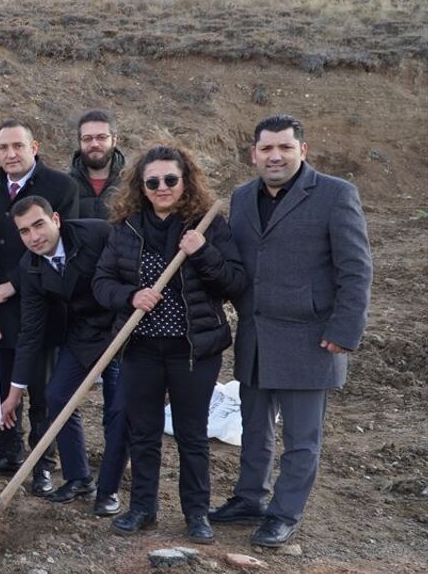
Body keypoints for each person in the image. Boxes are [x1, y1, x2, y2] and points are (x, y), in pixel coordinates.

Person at [210, 115, 372, 547]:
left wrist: (345, 330)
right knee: (254, 427)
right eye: (267, 148)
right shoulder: (242, 197)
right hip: (256, 334)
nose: (275, 156)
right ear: (254, 154)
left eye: (285, 147)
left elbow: (356, 269)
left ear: (303, 150)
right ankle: (250, 498)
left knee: (301, 439)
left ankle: (284, 514)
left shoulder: (335, 194)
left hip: (311, 337)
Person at [93, 145, 246, 543]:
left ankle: (196, 513)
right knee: (143, 432)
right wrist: (131, 297)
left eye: (170, 180)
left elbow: (234, 282)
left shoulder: (207, 226)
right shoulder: (126, 228)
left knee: (192, 434)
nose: (162, 187)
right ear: (141, 186)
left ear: (185, 181)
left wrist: (202, 252)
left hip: (193, 350)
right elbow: (102, 282)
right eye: (153, 182)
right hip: (141, 347)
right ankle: (143, 509)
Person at [0, 196, 126, 516]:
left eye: (39, 225)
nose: (34, 237)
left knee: (119, 409)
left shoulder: (96, 234)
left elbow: (130, 271)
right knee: (57, 396)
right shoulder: (31, 267)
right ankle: (78, 477)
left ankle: (109, 489)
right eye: (24, 231)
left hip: (125, 327)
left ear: (55, 219)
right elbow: (31, 332)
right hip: (83, 332)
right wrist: (14, 393)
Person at [0, 120, 79, 498]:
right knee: (5, 383)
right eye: (3, 148)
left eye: (17, 146)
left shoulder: (61, 187)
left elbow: (61, 245)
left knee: (42, 391)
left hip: (45, 303)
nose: (10, 154)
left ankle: (43, 463)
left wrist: (15, 284)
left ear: (34, 147)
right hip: (0, 306)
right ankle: (8, 452)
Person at [69, 110, 126, 219]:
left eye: (101, 137)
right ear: (80, 143)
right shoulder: (65, 186)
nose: (94, 144)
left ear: (114, 140)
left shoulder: (132, 184)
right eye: (87, 139)